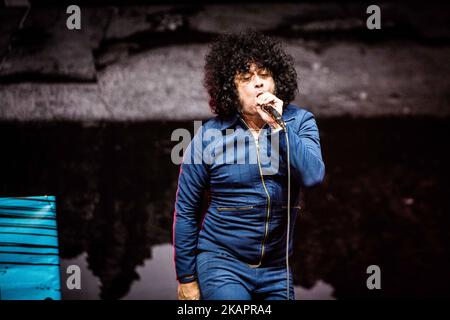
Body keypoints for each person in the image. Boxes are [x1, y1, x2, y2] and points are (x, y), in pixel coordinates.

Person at [173, 31, 325, 300]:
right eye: (246, 78)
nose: (259, 85)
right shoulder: (208, 136)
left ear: (277, 80)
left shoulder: (299, 122)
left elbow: (313, 175)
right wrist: (186, 278)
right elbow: (186, 210)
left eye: (265, 75)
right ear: (230, 88)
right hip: (222, 261)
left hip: (278, 268)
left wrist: (278, 127)